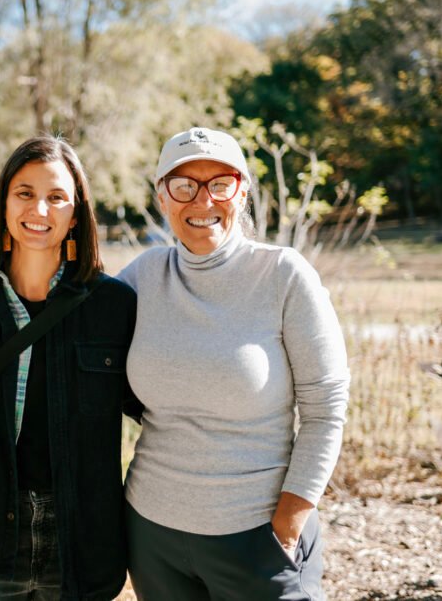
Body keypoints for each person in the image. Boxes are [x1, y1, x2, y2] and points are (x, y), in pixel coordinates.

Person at [119, 127, 350, 600]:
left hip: (258, 537)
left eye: (220, 184)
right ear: (162, 197)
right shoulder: (143, 276)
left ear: (241, 193)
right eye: (184, 186)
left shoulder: (283, 274)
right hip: (152, 534)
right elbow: (66, 318)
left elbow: (326, 411)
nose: (202, 200)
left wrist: (288, 525)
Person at [0, 136, 139, 601]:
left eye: (56, 197)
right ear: (4, 202)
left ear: (76, 213)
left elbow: (156, 410)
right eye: (25, 193)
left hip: (82, 538)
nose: (40, 209)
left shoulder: (113, 305)